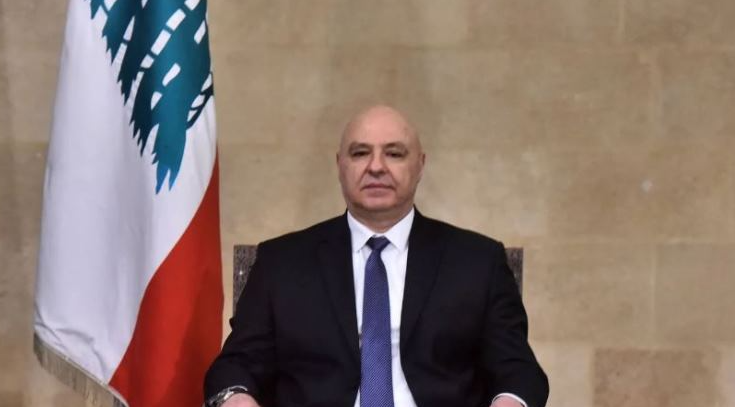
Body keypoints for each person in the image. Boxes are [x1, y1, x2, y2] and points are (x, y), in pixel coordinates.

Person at [204, 105, 549, 407]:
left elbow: (518, 370)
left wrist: (509, 401)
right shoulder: (282, 263)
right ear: (339, 165)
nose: (376, 167)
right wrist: (236, 398)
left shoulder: (477, 262)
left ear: (420, 165)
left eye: (394, 153)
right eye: (360, 153)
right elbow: (236, 365)